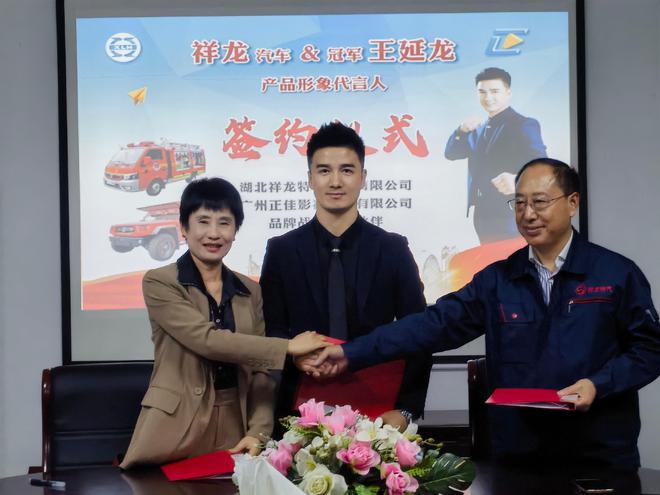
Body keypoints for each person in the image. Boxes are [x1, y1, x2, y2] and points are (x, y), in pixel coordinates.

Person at [307, 158, 660, 469]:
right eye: (519, 203)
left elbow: (650, 350)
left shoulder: (615, 273)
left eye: (539, 202)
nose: (528, 214)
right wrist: (350, 352)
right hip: (520, 456)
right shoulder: (498, 280)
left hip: (599, 454)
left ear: (572, 203)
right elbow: (431, 325)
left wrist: (598, 385)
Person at [120, 178, 328, 469]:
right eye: (203, 221)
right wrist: (288, 347)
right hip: (175, 426)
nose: (214, 234)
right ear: (184, 228)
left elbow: (261, 371)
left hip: (235, 423)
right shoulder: (160, 282)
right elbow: (207, 340)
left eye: (225, 223)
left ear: (235, 231)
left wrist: (258, 432)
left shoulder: (250, 290)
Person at [260, 122, 431, 431]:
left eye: (347, 170)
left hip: (377, 415)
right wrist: (293, 356)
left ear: (363, 177)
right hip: (300, 414)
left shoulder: (392, 249)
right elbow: (272, 330)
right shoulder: (281, 250)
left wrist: (406, 409)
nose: (335, 181)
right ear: (310, 178)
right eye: (324, 171)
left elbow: (418, 332)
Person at [445, 67, 547, 244]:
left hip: (511, 210)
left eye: (494, 91)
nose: (488, 97)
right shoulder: (478, 129)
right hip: (482, 212)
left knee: (513, 257)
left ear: (508, 92)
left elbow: (542, 165)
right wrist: (461, 130)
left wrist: (518, 181)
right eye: (482, 92)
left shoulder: (523, 124)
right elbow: (451, 153)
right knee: (491, 258)